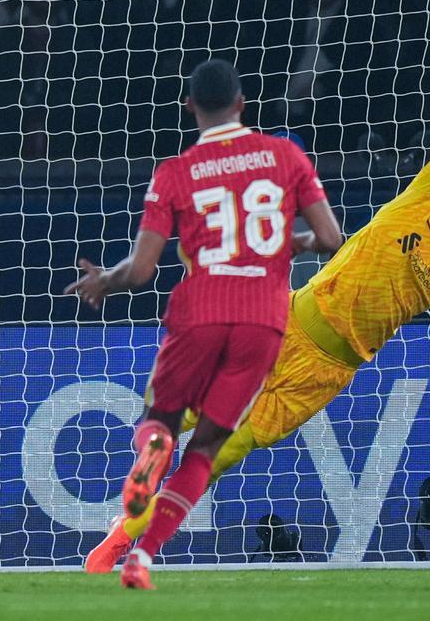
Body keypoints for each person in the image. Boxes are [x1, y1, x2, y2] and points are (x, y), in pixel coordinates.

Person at [85, 54, 430, 574]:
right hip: (291, 321)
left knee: (220, 456)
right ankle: (154, 447)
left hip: (329, 370)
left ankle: (126, 536)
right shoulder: (424, 196)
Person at [65, 58, 342, 589]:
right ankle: (143, 557)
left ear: (190, 106)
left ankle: (153, 446)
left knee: (160, 421)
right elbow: (331, 240)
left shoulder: (175, 171)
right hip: (264, 316)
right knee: (206, 451)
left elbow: (142, 270)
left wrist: (105, 280)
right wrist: (286, 243)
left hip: (201, 309)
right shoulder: (286, 155)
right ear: (242, 103)